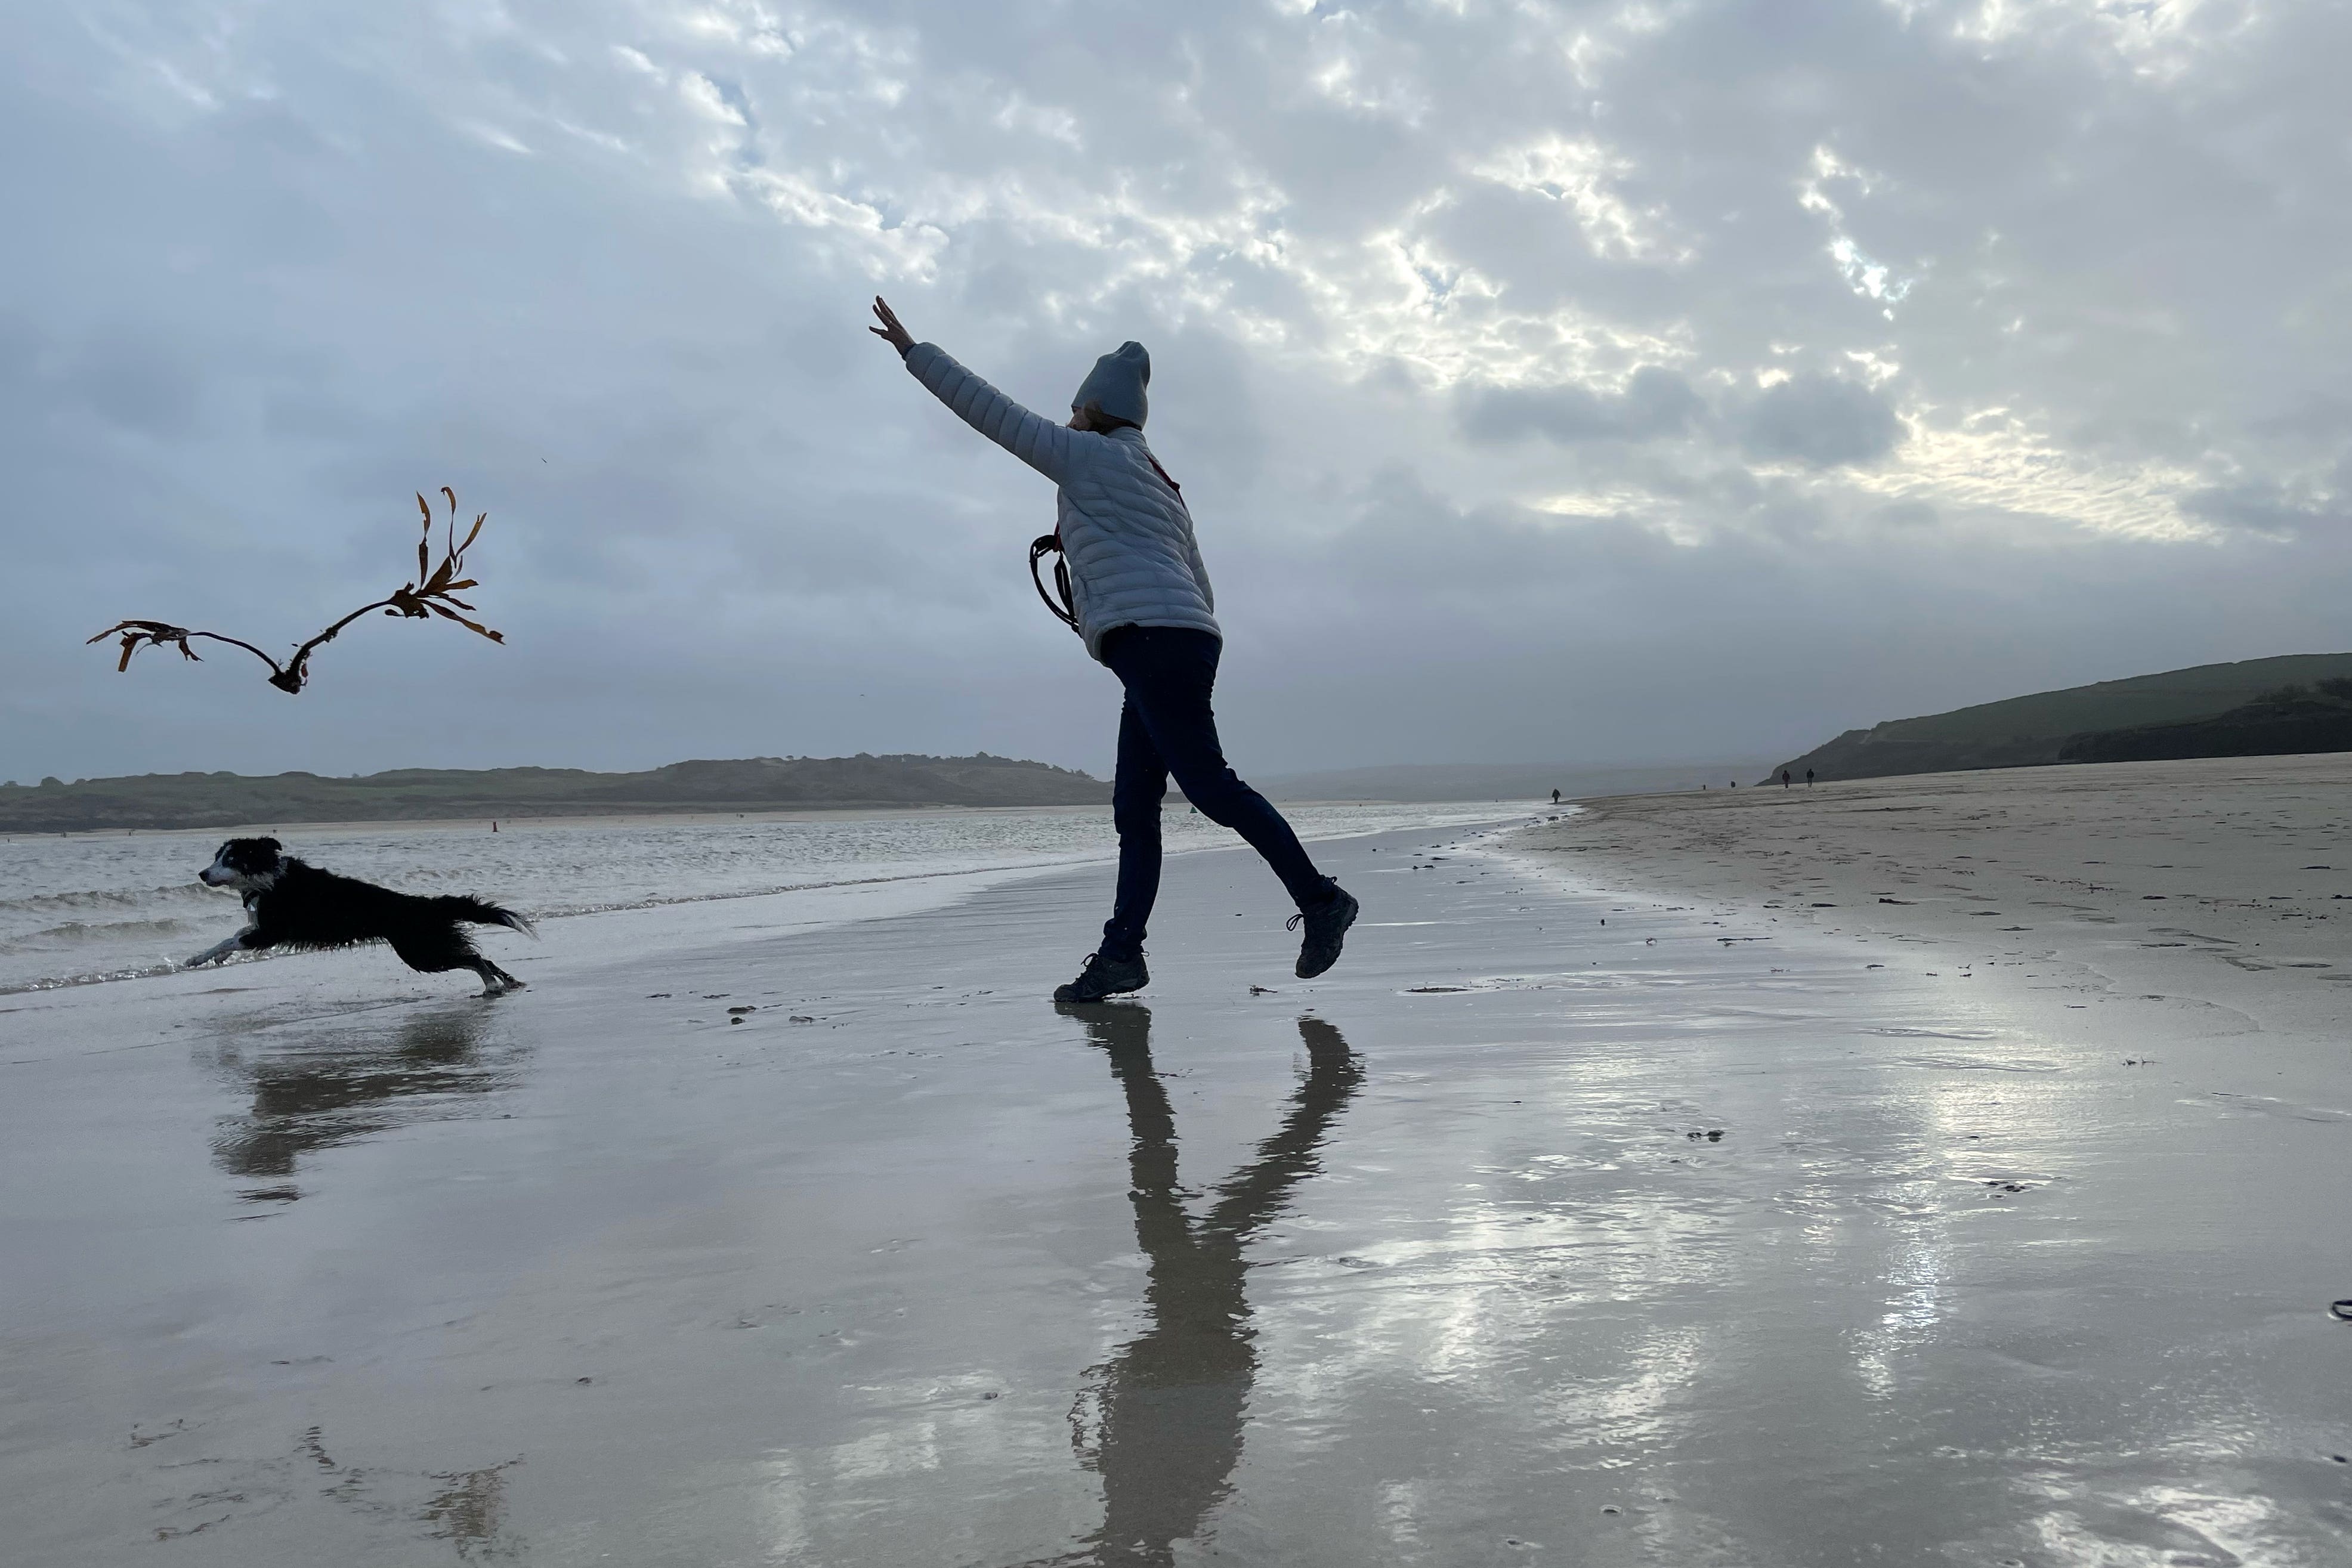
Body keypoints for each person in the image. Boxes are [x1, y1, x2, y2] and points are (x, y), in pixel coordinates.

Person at [869, 298, 1358, 1001]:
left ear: (1094, 409)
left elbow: (991, 412)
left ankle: (1320, 900)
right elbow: (1200, 580)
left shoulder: (1086, 456)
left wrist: (915, 352)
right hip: (1176, 641)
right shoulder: (1161, 482)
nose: (1067, 419)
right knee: (1136, 806)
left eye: (1075, 408)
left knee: (1209, 786)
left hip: (1154, 643)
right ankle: (1121, 953)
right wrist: (1172, 639)